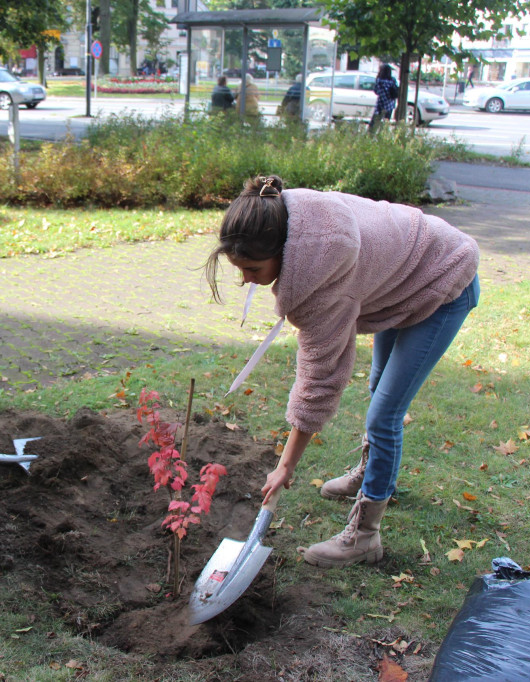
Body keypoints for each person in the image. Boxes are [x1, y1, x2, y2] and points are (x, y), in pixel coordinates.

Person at [204, 175, 480, 568]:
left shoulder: (322, 275)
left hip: (442, 276)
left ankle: (365, 536)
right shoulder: (286, 216)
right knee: (378, 385)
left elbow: (320, 381)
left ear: (281, 251)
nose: (245, 279)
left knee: (384, 415)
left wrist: (285, 465)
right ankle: (373, 473)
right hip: (398, 277)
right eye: (239, 268)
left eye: (251, 268)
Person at [370, 64, 399, 132]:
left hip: (381, 104)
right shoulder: (393, 80)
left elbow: (376, 91)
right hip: (390, 104)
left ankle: (371, 135)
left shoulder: (379, 81)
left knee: (375, 122)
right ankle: (383, 134)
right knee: (386, 122)